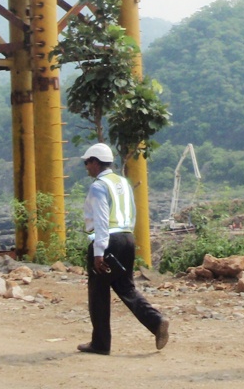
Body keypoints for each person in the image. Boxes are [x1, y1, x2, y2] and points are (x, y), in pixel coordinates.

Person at [78, 142, 169, 355]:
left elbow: (101, 220)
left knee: (98, 292)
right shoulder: (122, 183)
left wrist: (99, 252)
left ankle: (100, 343)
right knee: (126, 287)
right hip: (127, 238)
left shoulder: (99, 186)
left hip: (107, 240)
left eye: (87, 162)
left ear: (95, 162)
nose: (86, 167)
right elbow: (133, 213)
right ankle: (156, 322)